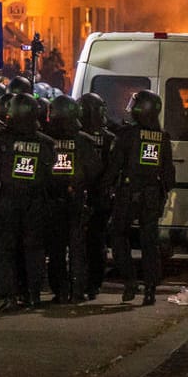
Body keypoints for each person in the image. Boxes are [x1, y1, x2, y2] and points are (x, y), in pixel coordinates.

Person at [0, 92, 51, 310]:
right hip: (36, 203)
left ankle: (10, 295)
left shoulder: (2, 138)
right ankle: (34, 295)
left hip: (8, 202)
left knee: (5, 250)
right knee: (34, 250)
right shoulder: (46, 143)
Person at [110, 90, 174, 305]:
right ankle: (150, 289)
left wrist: (105, 189)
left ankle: (129, 280)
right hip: (152, 195)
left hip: (128, 193)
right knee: (150, 243)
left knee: (118, 235)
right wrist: (162, 195)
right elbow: (168, 173)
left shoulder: (127, 135)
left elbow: (114, 166)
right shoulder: (162, 138)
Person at [42, 95, 94, 303]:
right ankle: (77, 290)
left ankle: (60, 291)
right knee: (77, 248)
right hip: (76, 200)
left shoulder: (45, 140)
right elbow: (94, 170)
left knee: (56, 248)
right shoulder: (84, 141)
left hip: (52, 200)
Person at [78, 93, 116, 299]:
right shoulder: (109, 138)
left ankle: (85, 282)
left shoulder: (75, 136)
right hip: (99, 197)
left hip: (82, 196)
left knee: (82, 242)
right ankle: (93, 283)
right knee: (95, 242)